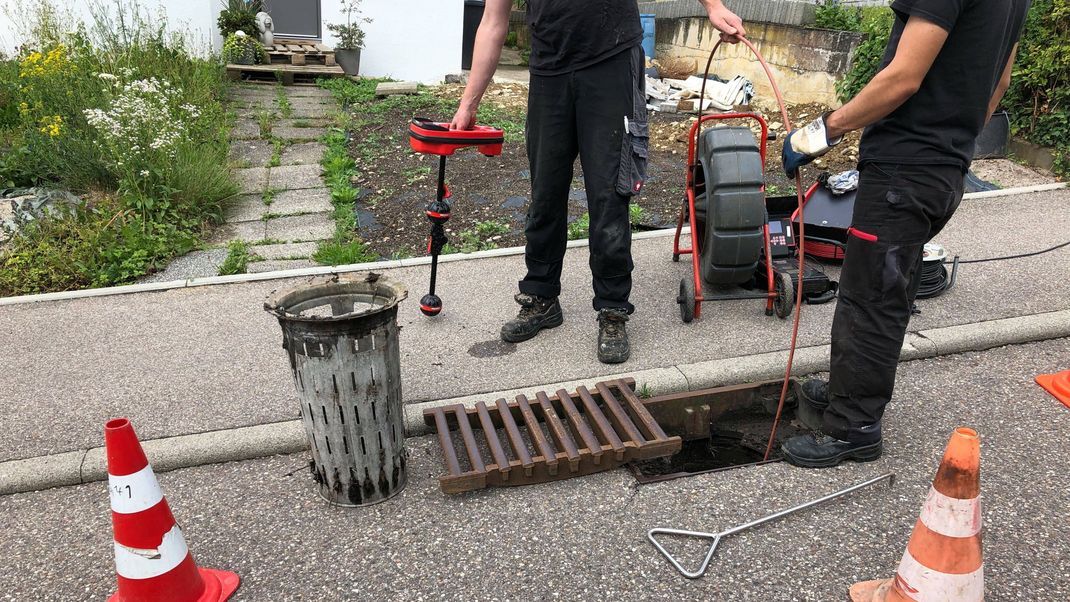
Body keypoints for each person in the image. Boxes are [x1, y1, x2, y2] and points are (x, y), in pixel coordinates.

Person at [779, 0, 1031, 467]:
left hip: (904, 170)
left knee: (870, 298)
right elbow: (1000, 83)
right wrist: (952, 142)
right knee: (885, 289)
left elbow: (903, 77)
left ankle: (853, 427)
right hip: (944, 169)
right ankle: (846, 389)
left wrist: (821, 132)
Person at [451, 0, 746, 364]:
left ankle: (612, 309)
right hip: (548, 71)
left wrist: (713, 6)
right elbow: (493, 22)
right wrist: (468, 103)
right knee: (545, 194)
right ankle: (541, 297)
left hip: (611, 61)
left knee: (609, 196)